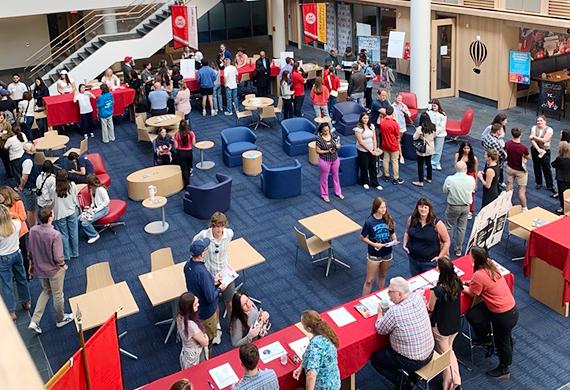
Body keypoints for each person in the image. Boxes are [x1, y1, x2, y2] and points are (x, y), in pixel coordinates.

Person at [464, 246, 518, 379]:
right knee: (473, 315)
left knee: (502, 341)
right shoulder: (490, 264)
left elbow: (473, 293)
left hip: (503, 314)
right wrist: (470, 283)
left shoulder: (479, 274)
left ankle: (504, 368)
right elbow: (481, 285)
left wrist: (460, 286)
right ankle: (486, 338)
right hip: (506, 308)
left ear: (475, 258)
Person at [370, 277, 434, 388]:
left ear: (399, 294)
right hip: (430, 352)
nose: (388, 293)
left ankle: (404, 383)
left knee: (377, 359)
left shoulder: (395, 312)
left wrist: (380, 313)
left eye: (390, 292)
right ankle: (412, 378)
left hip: (412, 361)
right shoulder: (417, 297)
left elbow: (380, 329)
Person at [27, 205, 74, 334]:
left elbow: (30, 250)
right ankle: (61, 319)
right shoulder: (55, 234)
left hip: (40, 269)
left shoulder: (33, 230)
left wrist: (32, 265)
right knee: (58, 295)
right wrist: (63, 265)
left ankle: (34, 321)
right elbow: (58, 256)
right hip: (54, 270)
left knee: (46, 291)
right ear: (50, 218)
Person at [192, 212, 235, 326]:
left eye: (222, 226)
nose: (219, 229)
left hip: (225, 273)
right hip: (210, 275)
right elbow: (194, 243)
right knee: (213, 305)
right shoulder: (204, 235)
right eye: (217, 226)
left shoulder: (229, 234)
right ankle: (217, 328)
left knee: (229, 302)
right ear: (212, 225)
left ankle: (232, 325)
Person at [184, 238, 227, 347]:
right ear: (202, 254)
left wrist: (211, 282)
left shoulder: (187, 265)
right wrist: (219, 288)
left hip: (196, 310)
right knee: (208, 341)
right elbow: (210, 297)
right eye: (206, 249)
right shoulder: (202, 272)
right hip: (206, 313)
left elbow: (198, 285)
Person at [427, 258, 462, 390]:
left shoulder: (437, 291)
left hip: (441, 327)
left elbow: (430, 308)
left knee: (446, 356)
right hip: (454, 324)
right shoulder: (457, 282)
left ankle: (453, 383)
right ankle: (450, 383)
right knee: (448, 352)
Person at [292, 310, 341, 390]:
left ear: (309, 329)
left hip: (323, 387)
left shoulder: (315, 345)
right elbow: (312, 357)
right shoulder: (326, 334)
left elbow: (311, 375)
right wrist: (301, 366)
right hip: (334, 382)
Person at [403, 197, 450, 276]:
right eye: (421, 207)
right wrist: (404, 245)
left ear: (429, 209)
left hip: (429, 262)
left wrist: (440, 256)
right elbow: (407, 232)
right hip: (413, 259)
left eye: (425, 207)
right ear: (417, 207)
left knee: (430, 284)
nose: (423, 209)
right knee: (415, 281)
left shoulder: (437, 223)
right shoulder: (411, 219)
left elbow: (447, 241)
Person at [0, 204, 31, 320]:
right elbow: (17, 218)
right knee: (21, 278)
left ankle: (12, 311)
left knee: (7, 285)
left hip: (3, 258)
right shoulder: (16, 224)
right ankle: (26, 302)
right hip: (16, 254)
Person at [360, 197, 396, 295]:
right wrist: (374, 244)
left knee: (383, 275)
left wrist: (394, 240)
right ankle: (364, 300)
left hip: (387, 252)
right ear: (376, 208)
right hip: (374, 254)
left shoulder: (388, 218)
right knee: (369, 280)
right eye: (381, 208)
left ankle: (380, 296)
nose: (383, 210)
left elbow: (392, 232)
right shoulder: (369, 221)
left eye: (384, 207)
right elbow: (362, 237)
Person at [443, 161, 476, 257]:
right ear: (465, 169)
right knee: (461, 228)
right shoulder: (471, 179)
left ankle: (447, 246)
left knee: (449, 226)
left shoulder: (450, 179)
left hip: (453, 206)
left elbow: (444, 190)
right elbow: (473, 189)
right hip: (466, 207)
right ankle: (458, 249)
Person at [0, 186, 30, 280]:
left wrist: (10, 214)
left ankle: (27, 273)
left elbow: (23, 217)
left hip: (20, 232)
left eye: (0, 196)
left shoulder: (18, 203)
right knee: (13, 254)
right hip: (9, 233)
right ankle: (16, 275)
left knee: (24, 253)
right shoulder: (2, 206)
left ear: (6, 195)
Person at [52, 170, 79, 261]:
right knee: (74, 232)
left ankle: (67, 255)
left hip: (60, 214)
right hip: (71, 211)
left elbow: (51, 201)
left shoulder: (53, 188)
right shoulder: (72, 185)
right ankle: (75, 252)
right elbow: (75, 198)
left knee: (63, 235)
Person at [176, 292, 209, 369]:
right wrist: (205, 335)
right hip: (196, 354)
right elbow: (205, 342)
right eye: (195, 304)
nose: (198, 305)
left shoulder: (179, 316)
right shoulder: (191, 326)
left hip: (187, 350)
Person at [315, 123, 343, 202]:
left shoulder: (333, 135)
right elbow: (317, 151)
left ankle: (338, 192)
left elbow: (338, 144)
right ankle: (324, 195)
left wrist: (338, 146)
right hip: (324, 160)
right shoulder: (319, 139)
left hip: (335, 159)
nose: (327, 132)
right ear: (321, 131)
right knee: (324, 178)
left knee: (336, 176)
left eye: (327, 130)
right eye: (324, 131)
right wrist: (327, 151)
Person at [355, 112, 382, 191]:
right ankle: (365, 182)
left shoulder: (371, 126)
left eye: (367, 118)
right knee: (364, 166)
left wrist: (375, 148)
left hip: (372, 150)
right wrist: (370, 150)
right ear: (361, 119)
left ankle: (375, 183)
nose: (366, 120)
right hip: (363, 150)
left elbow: (374, 138)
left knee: (373, 166)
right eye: (364, 118)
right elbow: (360, 142)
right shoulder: (358, 129)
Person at [504, 128, 529, 211]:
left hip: (510, 168)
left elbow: (505, 151)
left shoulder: (507, 143)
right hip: (520, 171)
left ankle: (507, 204)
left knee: (509, 186)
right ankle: (524, 208)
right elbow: (526, 157)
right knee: (522, 190)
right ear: (520, 135)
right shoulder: (523, 148)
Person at [80, 174, 110, 244]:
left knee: (85, 223)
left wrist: (97, 209)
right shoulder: (92, 189)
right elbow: (93, 200)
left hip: (103, 209)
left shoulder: (101, 189)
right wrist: (91, 207)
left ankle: (94, 235)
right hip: (95, 208)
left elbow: (107, 201)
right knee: (80, 218)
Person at [529, 115, 555, 193]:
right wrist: (538, 149)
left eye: (541, 120)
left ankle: (550, 185)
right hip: (535, 150)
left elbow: (544, 140)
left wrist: (534, 137)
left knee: (546, 168)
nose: (539, 122)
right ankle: (539, 182)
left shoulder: (549, 129)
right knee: (536, 166)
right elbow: (532, 141)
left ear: (545, 121)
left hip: (545, 151)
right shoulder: (534, 128)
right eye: (538, 121)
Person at [380, 106, 404, 185]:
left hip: (385, 144)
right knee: (394, 161)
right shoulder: (394, 123)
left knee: (386, 160)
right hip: (393, 145)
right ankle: (395, 178)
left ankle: (386, 176)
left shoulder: (382, 122)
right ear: (393, 113)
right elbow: (397, 135)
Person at [454, 142, 479, 219]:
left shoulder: (474, 158)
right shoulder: (457, 155)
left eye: (468, 148)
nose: (466, 150)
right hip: (460, 176)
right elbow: (455, 167)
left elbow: (475, 170)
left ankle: (470, 211)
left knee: (470, 194)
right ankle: (460, 209)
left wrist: (476, 183)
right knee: (460, 193)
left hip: (470, 176)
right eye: (464, 148)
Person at [17, 142, 39, 226]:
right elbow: (24, 177)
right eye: (33, 146)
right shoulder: (28, 161)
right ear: (29, 150)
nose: (35, 147)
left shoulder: (26, 156)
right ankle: (32, 228)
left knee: (32, 209)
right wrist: (21, 186)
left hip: (29, 187)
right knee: (31, 210)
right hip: (29, 189)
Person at [412, 112, 436, 187]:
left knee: (420, 164)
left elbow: (414, 137)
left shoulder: (420, 128)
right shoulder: (433, 126)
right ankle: (429, 178)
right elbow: (434, 136)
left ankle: (420, 181)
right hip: (431, 147)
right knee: (428, 163)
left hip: (423, 148)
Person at [173, 120, 196, 187]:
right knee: (188, 167)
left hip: (180, 153)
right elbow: (194, 144)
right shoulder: (191, 133)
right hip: (189, 152)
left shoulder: (177, 134)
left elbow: (176, 146)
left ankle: (187, 185)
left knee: (184, 169)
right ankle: (188, 178)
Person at [428, 99, 447, 171]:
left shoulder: (443, 114)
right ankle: (431, 163)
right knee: (431, 149)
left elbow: (442, 126)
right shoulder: (429, 113)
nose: (434, 107)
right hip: (431, 133)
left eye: (435, 106)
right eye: (433, 106)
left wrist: (436, 133)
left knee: (438, 150)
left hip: (440, 134)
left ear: (438, 106)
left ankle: (436, 162)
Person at [551, 141, 570, 214]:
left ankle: (563, 209)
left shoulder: (559, 159)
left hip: (562, 180)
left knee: (562, 195)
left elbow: (553, 164)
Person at [0, 112, 14, 178]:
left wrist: (3, 136)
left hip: (7, 145)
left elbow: (11, 134)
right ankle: (8, 173)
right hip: (0, 146)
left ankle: (13, 172)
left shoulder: (7, 125)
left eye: (1, 118)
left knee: (10, 160)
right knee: (4, 161)